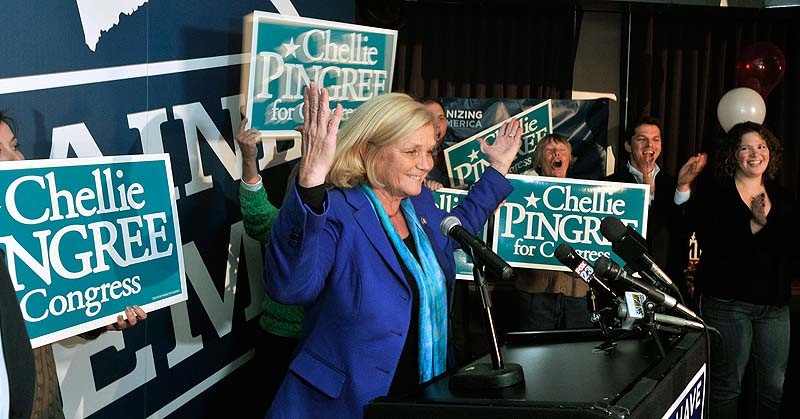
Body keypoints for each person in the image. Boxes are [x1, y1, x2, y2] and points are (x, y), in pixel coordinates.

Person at [263, 81, 521, 418]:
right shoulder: (337, 211)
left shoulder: (420, 205)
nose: (426, 163)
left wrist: (498, 168)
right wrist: (310, 181)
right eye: (411, 151)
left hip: (422, 396)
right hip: (343, 405)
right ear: (369, 150)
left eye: (428, 151)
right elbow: (290, 286)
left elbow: (456, 227)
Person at [0, 111, 147, 419]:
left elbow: (46, 325)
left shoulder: (32, 235)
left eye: (15, 147)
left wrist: (98, 316)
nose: (16, 161)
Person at [689, 122, 795, 419]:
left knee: (773, 387)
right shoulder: (715, 193)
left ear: (770, 153)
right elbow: (713, 245)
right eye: (746, 147)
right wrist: (754, 225)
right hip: (727, 305)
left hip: (773, 307)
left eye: (761, 146)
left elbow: (789, 249)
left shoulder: (783, 197)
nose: (755, 153)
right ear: (734, 155)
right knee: (727, 387)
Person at [234, 115, 303, 409]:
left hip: (321, 343)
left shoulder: (346, 225)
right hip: (279, 342)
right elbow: (257, 214)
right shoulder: (282, 226)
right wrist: (249, 157)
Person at [604, 116, 707, 300]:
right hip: (622, 284)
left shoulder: (673, 184)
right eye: (642, 139)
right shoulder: (609, 185)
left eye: (655, 139)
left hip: (668, 282)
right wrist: (645, 193)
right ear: (628, 145)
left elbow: (683, 231)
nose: (649, 145)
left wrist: (682, 187)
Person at [511, 134, 595, 330]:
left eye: (562, 150)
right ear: (540, 160)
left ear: (568, 159)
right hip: (534, 294)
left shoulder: (588, 198)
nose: (556, 153)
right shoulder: (521, 192)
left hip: (577, 294)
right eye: (549, 150)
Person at [421, 98, 462, 190]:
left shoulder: (456, 155)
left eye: (441, 118)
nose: (437, 124)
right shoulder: (408, 156)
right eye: (430, 118)